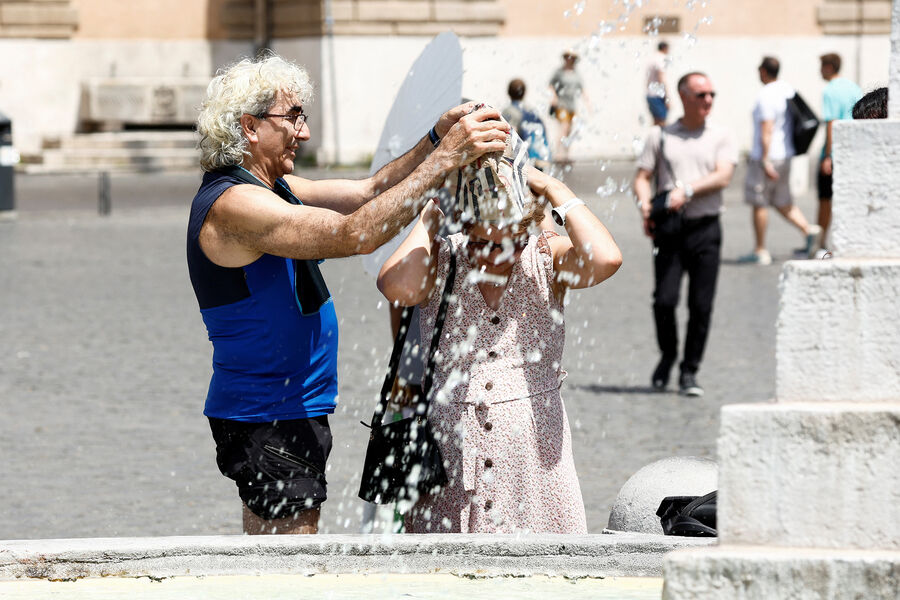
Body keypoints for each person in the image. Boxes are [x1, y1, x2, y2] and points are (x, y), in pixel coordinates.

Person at [186, 53, 509, 535]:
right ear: (250, 127)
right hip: (267, 412)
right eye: (293, 117)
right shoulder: (236, 205)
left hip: (288, 407)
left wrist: (436, 139)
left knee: (274, 557)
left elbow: (369, 190)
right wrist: (447, 160)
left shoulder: (275, 186)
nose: (305, 132)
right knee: (289, 567)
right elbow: (354, 234)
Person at [376, 134, 622, 533]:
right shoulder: (444, 258)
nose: (488, 254)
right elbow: (395, 287)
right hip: (450, 452)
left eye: (502, 242)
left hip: (534, 456)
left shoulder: (546, 257)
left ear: (524, 229)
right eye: (478, 241)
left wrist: (555, 189)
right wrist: (428, 218)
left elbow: (607, 258)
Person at [634, 72, 738, 397]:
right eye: (701, 94)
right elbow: (641, 177)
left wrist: (688, 190)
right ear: (683, 97)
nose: (708, 100)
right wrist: (646, 208)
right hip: (670, 228)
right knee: (664, 300)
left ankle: (689, 370)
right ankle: (668, 354)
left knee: (701, 305)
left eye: (711, 94)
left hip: (706, 227)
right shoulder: (660, 135)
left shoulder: (721, 135)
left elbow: (723, 176)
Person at [739, 56, 821, 265]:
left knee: (759, 202)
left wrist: (765, 160)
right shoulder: (787, 89)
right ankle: (809, 230)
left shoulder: (766, 95)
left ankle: (760, 250)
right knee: (782, 200)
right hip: (786, 153)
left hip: (768, 156)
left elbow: (767, 129)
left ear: (764, 72)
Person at [817, 53, 862, 251]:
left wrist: (828, 155)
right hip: (853, 151)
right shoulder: (854, 87)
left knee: (825, 200)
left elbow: (831, 123)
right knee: (849, 199)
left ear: (828, 67)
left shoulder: (830, 90)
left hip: (835, 153)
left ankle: (821, 244)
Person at [502, 78, 552, 170]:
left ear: (508, 93)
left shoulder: (509, 111)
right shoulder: (532, 111)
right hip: (542, 157)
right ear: (524, 93)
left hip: (525, 160)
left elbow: (510, 134)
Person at [548, 49, 588, 164]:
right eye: (567, 57)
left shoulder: (576, 73)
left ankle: (566, 154)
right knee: (563, 128)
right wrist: (554, 97)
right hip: (562, 104)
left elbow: (581, 87)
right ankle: (558, 155)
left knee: (569, 130)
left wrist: (587, 102)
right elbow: (551, 85)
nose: (568, 60)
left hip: (571, 105)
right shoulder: (559, 72)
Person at [646, 41, 670, 126]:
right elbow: (661, 78)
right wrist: (666, 97)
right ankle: (660, 139)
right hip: (658, 95)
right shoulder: (661, 58)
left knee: (656, 122)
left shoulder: (652, 59)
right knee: (662, 122)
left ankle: (654, 138)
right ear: (665, 48)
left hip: (650, 94)